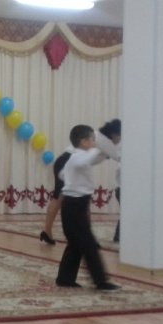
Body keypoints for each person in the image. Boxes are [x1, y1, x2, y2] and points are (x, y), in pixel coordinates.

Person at [55, 125, 119, 291]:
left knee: (75, 244)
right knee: (88, 244)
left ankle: (65, 279)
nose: (94, 142)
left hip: (75, 205)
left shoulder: (76, 158)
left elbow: (95, 158)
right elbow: (91, 157)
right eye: (92, 139)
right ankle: (100, 281)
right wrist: (104, 145)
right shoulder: (78, 157)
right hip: (74, 205)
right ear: (83, 142)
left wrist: (106, 149)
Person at [40, 149, 72, 245]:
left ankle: (47, 231)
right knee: (59, 197)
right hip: (67, 162)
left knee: (58, 197)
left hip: (65, 161)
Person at [97, 119, 122, 243]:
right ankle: (118, 238)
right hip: (121, 188)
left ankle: (118, 238)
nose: (120, 140)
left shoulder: (102, 139)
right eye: (119, 137)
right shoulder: (104, 142)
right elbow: (118, 157)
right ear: (114, 134)